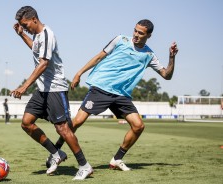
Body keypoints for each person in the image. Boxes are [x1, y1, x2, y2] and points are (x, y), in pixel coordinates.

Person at [49, 19, 178, 171]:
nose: (136, 35)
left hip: (121, 95)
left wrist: (171, 57)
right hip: (101, 88)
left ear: (149, 35)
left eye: (141, 33)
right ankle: (55, 152)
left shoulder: (149, 55)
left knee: (138, 126)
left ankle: (117, 159)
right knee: (77, 122)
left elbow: (166, 75)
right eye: (135, 30)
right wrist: (79, 73)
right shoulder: (120, 40)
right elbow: (99, 57)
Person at [11, 6, 93, 180]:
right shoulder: (37, 36)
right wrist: (21, 35)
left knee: (62, 129)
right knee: (26, 123)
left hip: (55, 88)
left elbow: (43, 64)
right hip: (42, 89)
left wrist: (24, 86)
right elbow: (35, 49)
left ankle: (84, 166)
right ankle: (56, 153)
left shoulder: (48, 34)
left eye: (25, 24)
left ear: (34, 19)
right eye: (22, 25)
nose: (24, 27)